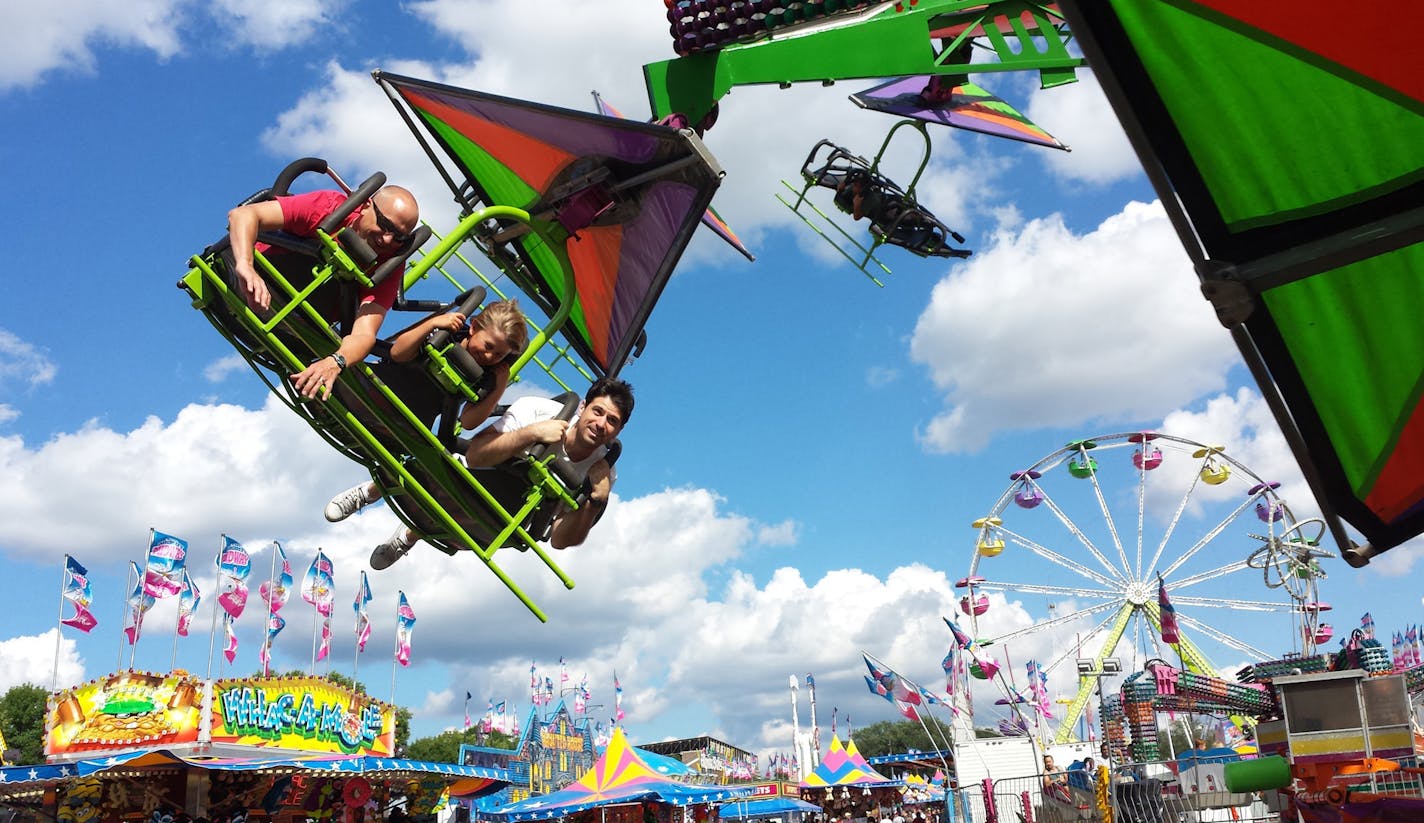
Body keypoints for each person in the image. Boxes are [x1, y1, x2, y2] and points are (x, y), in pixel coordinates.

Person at [358, 375, 633, 569]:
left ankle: (409, 536)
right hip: (465, 477)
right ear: (583, 407)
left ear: (618, 431)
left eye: (612, 421)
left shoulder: (602, 472)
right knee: (432, 465)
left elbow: (560, 540)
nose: (601, 424)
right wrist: (531, 434)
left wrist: (595, 503)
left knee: (477, 512)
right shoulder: (539, 411)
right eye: (597, 412)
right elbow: (476, 455)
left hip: (495, 514)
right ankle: (371, 489)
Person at [323, 299, 529, 521]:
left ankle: (367, 493)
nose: (489, 357)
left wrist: (498, 386)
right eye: (488, 346)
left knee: (430, 464)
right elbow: (398, 353)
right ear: (474, 326)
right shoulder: (448, 333)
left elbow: (468, 421)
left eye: (499, 355)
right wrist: (431, 325)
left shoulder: (486, 376)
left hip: (409, 425)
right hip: (378, 386)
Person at [225, 185, 420, 400]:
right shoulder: (330, 207)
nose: (387, 240)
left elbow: (365, 333)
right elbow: (243, 214)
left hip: (297, 329)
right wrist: (245, 264)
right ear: (365, 206)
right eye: (384, 225)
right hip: (253, 280)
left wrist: (337, 360)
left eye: (399, 237)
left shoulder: (388, 265)